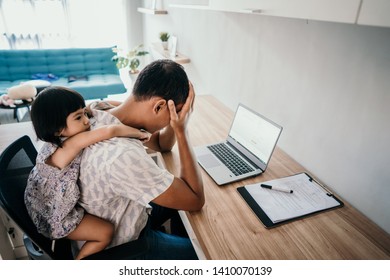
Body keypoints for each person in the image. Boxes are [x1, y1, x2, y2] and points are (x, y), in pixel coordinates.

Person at [78, 59, 204, 259]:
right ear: (159, 106)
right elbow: (196, 200)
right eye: (175, 112)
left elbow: (162, 144)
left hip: (119, 211)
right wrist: (181, 129)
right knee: (206, 254)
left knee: (185, 215)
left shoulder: (99, 109)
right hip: (123, 245)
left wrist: (174, 119)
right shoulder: (123, 155)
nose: (176, 117)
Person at [24, 86, 151, 260]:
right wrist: (139, 133)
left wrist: (93, 108)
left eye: (84, 113)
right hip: (54, 218)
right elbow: (110, 131)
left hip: (40, 203)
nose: (86, 121)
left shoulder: (58, 139)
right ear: (57, 129)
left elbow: (93, 106)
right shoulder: (68, 146)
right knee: (105, 232)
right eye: (78, 117)